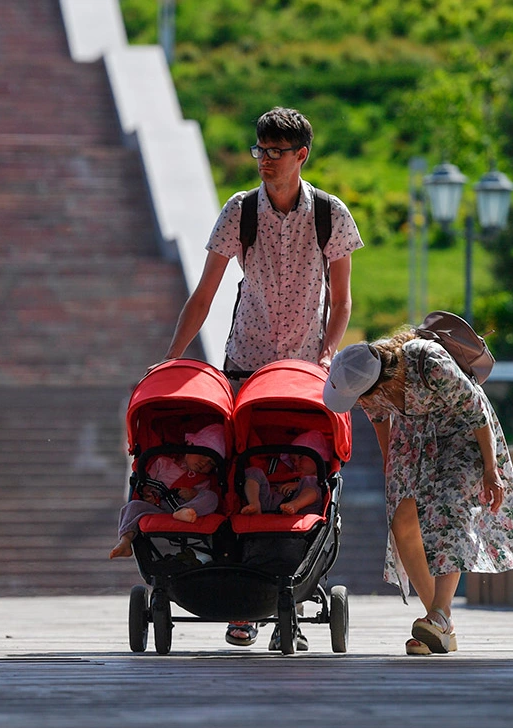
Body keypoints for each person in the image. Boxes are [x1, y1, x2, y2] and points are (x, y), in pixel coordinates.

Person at [162, 106, 365, 647]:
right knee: (237, 477)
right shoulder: (240, 211)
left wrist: (326, 355)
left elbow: (342, 302)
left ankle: (289, 599)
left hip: (301, 373)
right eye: (260, 150)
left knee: (301, 474)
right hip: (245, 367)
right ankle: (241, 604)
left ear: (302, 155)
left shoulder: (330, 214)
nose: (265, 161)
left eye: (276, 153)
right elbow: (204, 294)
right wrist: (171, 359)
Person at [323, 331, 513, 655]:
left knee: (448, 512)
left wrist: (491, 471)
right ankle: (439, 622)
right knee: (402, 522)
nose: (359, 405)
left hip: (462, 435)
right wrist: (387, 462)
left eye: (359, 399)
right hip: (413, 437)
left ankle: (437, 616)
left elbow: (476, 411)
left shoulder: (428, 362)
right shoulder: (371, 387)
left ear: (376, 384)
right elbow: (379, 417)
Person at [109, 423, 226, 559]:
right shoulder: (162, 463)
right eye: (202, 455)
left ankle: (184, 511)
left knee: (212, 497)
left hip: (189, 511)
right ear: (189, 444)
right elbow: (147, 484)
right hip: (158, 506)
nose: (204, 463)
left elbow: (204, 500)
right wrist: (149, 495)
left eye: (211, 463)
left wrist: (193, 495)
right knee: (132, 507)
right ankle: (125, 540)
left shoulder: (203, 480)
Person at [240, 430, 329, 516]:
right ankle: (254, 504)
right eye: (293, 460)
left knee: (314, 482)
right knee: (254, 472)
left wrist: (298, 485)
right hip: (269, 504)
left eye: (301, 457)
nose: (296, 463)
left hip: (303, 509)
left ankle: (295, 504)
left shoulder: (319, 479)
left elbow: (316, 487)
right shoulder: (288, 473)